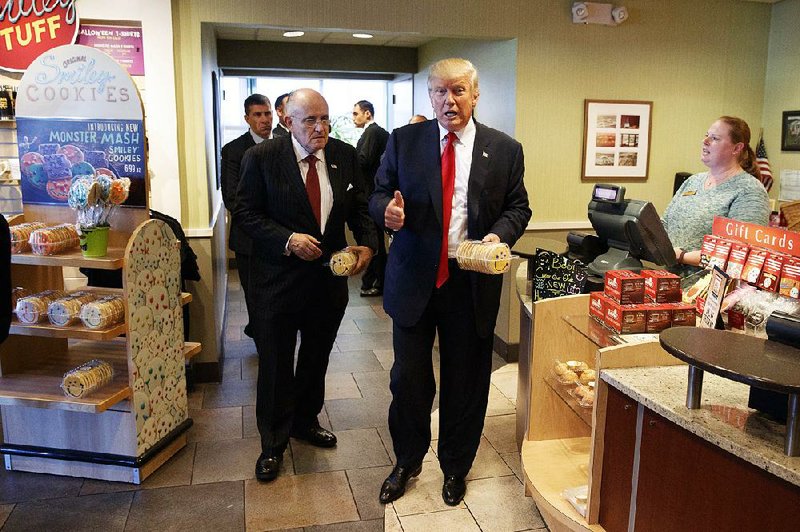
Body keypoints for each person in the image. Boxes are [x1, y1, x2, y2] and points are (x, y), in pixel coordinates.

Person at [369, 58, 531, 506]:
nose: (448, 100)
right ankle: (406, 460)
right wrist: (386, 211)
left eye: (458, 90)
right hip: (414, 281)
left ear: (475, 95)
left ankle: (456, 466)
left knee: (466, 381)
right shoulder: (404, 142)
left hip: (470, 282)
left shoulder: (504, 149)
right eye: (439, 91)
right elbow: (378, 193)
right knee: (409, 381)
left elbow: (519, 207)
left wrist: (500, 233)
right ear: (430, 96)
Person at [235, 88, 378, 483]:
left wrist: (367, 243)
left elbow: (362, 207)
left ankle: (305, 420)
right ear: (288, 122)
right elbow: (245, 212)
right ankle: (274, 441)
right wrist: (287, 240)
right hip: (277, 279)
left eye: (325, 119)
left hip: (327, 282)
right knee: (278, 361)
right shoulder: (261, 158)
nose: (321, 128)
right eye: (310, 120)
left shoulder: (344, 156)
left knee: (316, 357)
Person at [664, 116, 770, 268]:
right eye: (706, 135)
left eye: (714, 138)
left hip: (708, 287)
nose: (705, 141)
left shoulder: (750, 191)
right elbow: (665, 223)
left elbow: (740, 254)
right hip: (668, 280)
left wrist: (682, 256)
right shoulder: (693, 181)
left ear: (736, 148)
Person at [221, 94, 273, 338]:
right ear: (247, 118)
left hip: (283, 237)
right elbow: (232, 198)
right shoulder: (234, 150)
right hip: (249, 238)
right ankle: (261, 336)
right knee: (254, 293)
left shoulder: (286, 143)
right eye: (258, 115)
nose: (264, 120)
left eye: (267, 113)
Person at [353, 99, 390, 297]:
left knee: (375, 242)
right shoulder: (376, 133)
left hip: (371, 193)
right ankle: (374, 281)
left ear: (367, 113)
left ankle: (378, 282)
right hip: (374, 192)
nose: (353, 118)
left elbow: (364, 160)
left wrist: (347, 156)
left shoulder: (373, 132)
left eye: (356, 113)